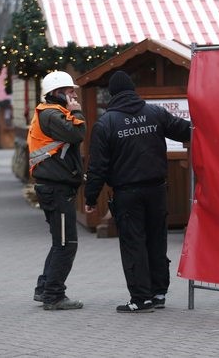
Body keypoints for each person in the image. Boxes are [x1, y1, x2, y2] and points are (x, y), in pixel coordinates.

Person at [84, 71, 191, 313]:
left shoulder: (106, 123)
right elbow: (186, 130)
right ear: (133, 90)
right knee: (157, 241)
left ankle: (141, 299)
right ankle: (158, 293)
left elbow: (97, 167)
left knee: (134, 245)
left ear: (112, 94)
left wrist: (90, 197)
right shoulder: (155, 113)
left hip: (127, 194)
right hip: (157, 190)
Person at [27, 70, 86, 311]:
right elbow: (78, 134)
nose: (73, 94)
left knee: (59, 241)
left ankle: (44, 289)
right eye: (69, 90)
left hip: (54, 188)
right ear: (56, 93)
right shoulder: (52, 114)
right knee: (66, 243)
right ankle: (53, 295)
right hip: (56, 190)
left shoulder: (52, 112)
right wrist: (77, 111)